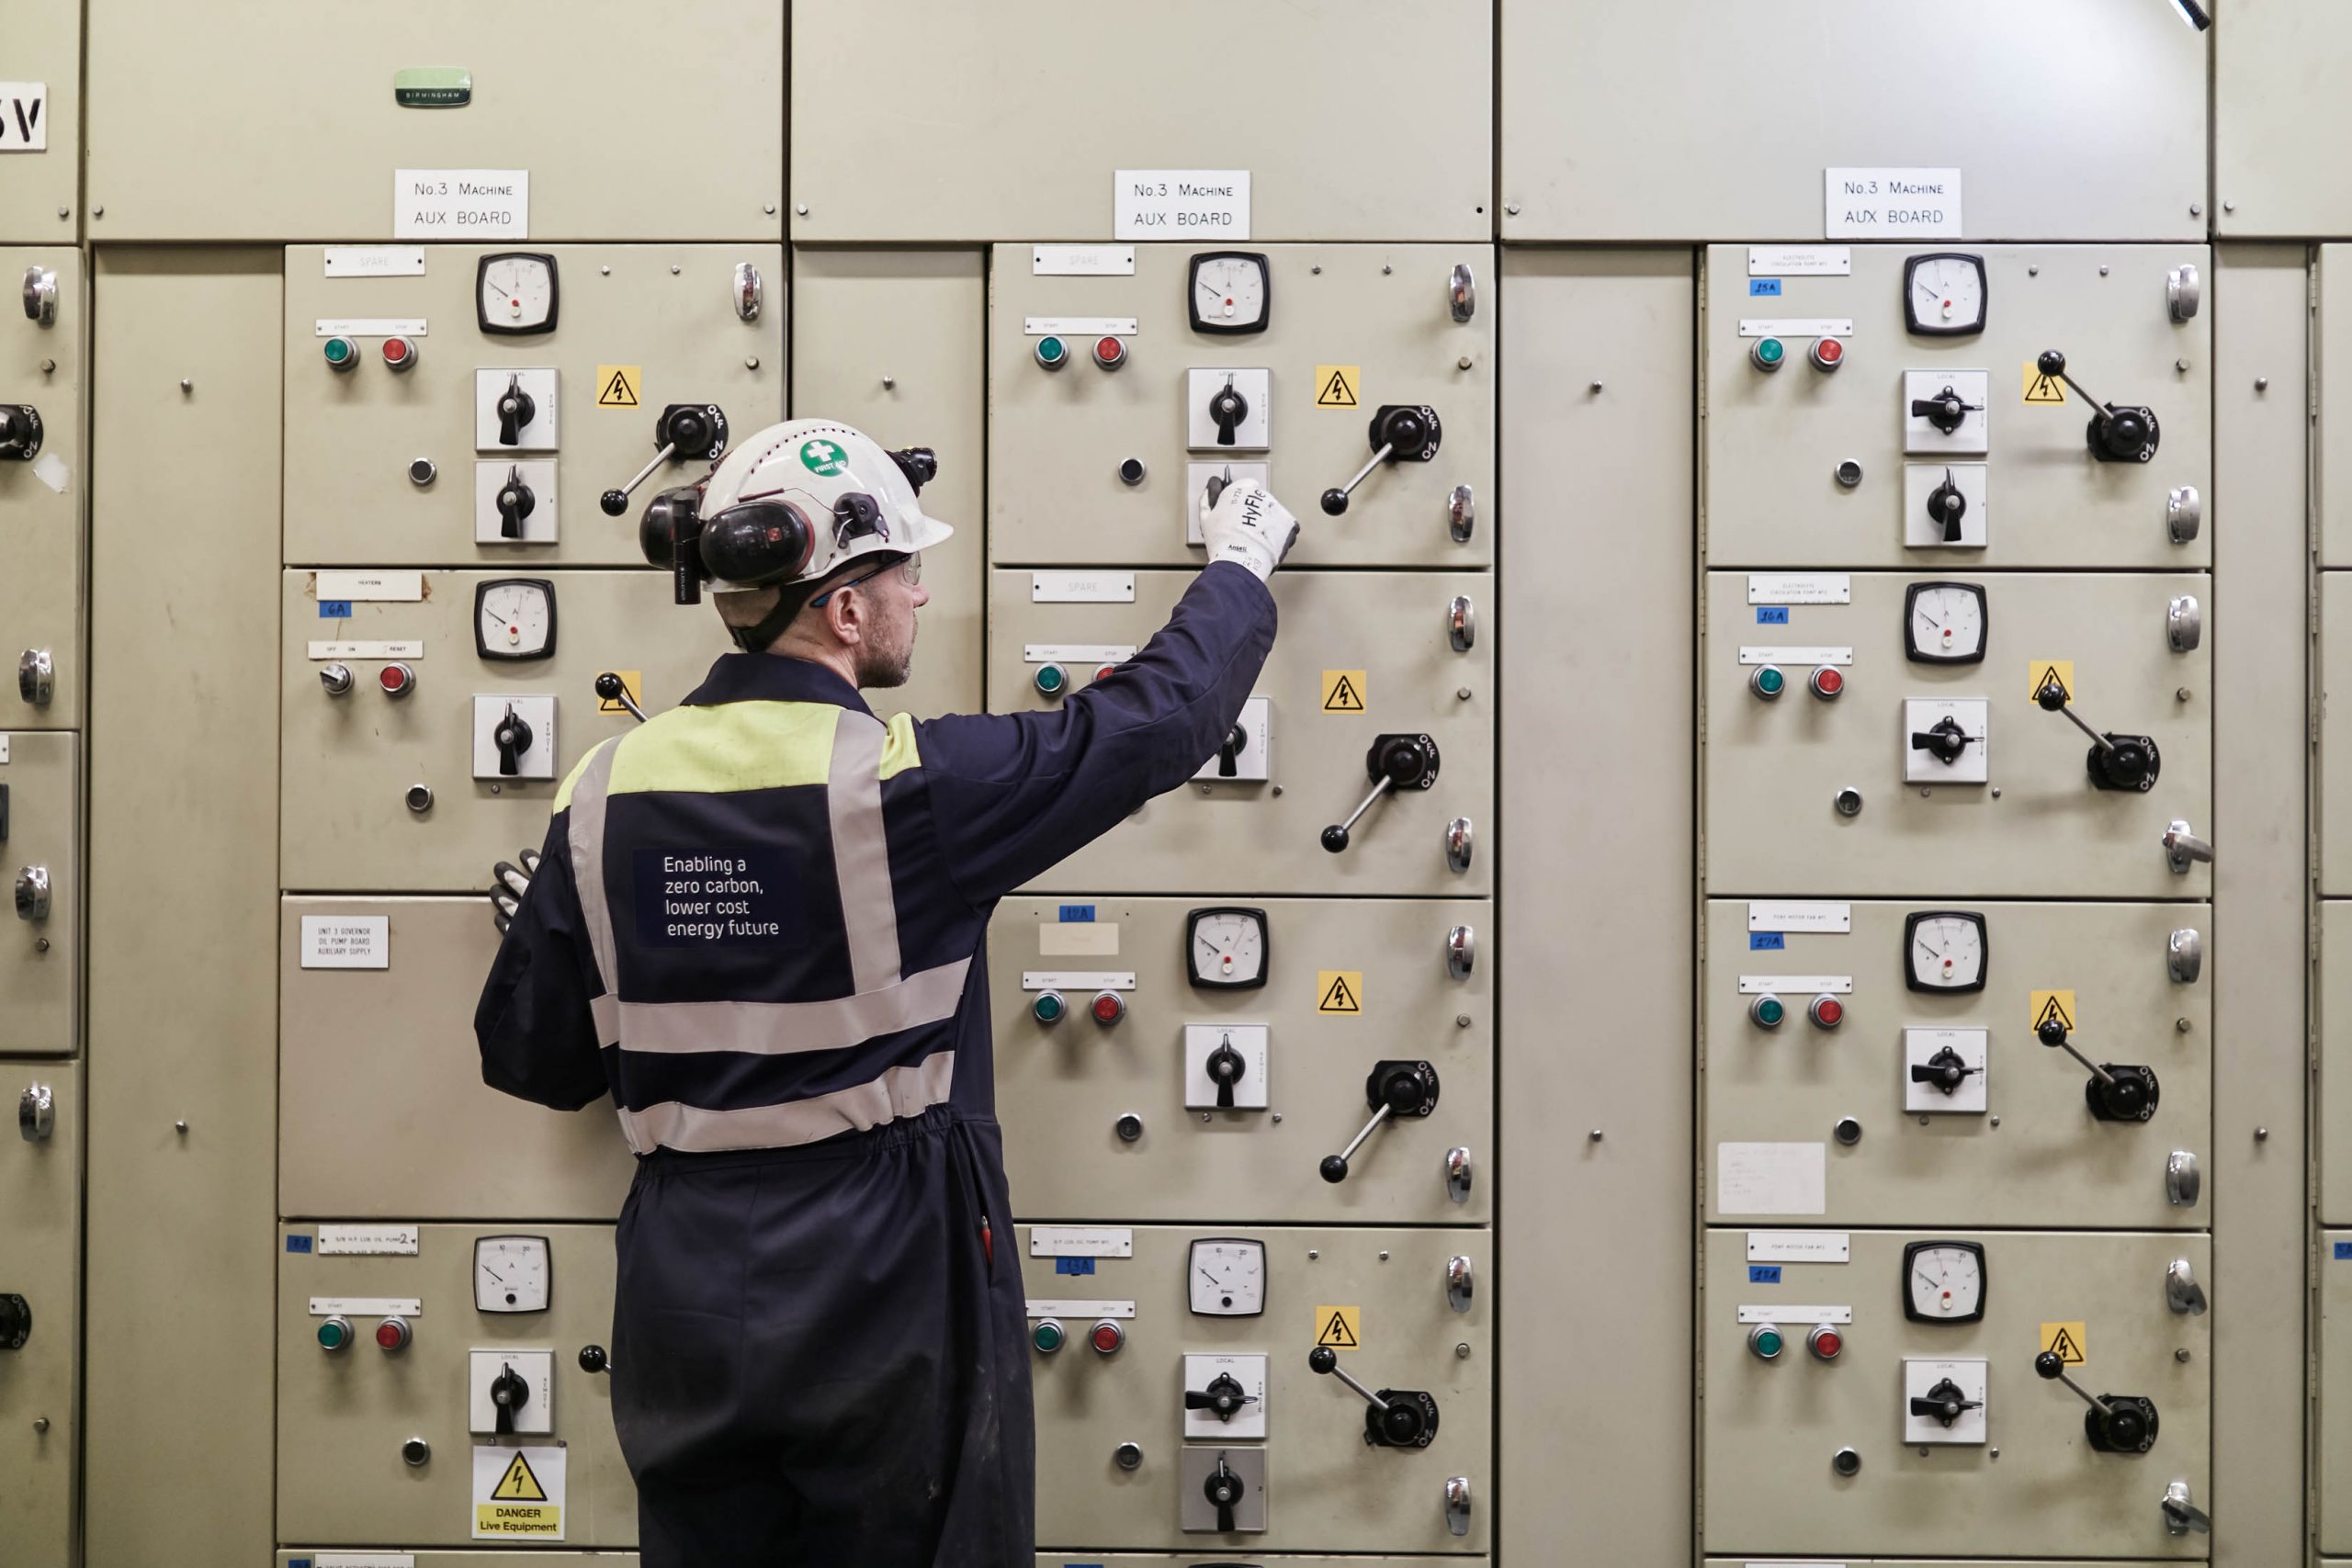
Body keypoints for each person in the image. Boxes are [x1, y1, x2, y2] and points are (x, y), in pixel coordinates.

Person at [473, 417, 1297, 1566]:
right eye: (907, 570)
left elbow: (535, 1060)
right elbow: (1149, 722)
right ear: (844, 606)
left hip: (683, 1283)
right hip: (875, 1276)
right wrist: (1239, 569)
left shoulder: (601, 791)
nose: (919, 594)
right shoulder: (907, 788)